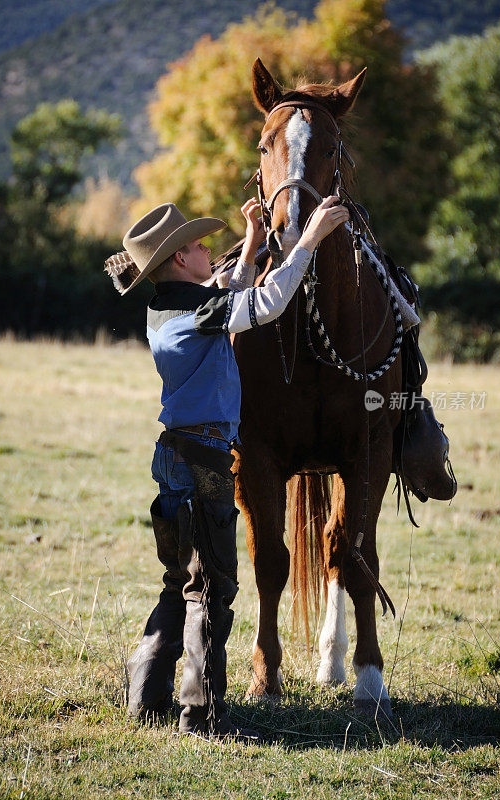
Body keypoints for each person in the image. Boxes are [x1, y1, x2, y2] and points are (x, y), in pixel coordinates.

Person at [104, 195, 349, 739]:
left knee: (180, 582)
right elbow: (267, 302)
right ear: (177, 260)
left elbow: (226, 292)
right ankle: (204, 717)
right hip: (206, 460)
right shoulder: (199, 313)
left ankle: (145, 700)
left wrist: (256, 237)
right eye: (195, 246)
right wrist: (307, 241)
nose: (206, 248)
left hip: (174, 456)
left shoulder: (168, 308)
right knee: (212, 588)